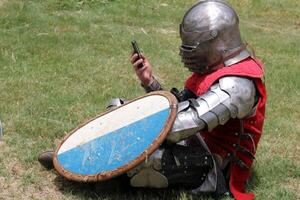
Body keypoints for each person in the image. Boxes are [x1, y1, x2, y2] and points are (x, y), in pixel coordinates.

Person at [39, 1, 266, 199]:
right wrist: (149, 83)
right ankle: (76, 156)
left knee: (148, 158)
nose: (187, 53)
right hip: (194, 140)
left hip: (214, 165)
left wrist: (128, 135)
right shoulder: (214, 69)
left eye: (193, 48)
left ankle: (91, 165)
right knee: (119, 106)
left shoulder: (238, 84)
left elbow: (182, 124)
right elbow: (179, 105)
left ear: (216, 42)